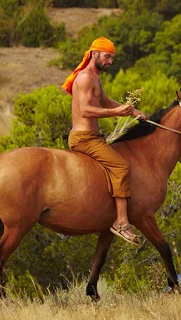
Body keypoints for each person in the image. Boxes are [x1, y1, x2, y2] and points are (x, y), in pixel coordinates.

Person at [61, 37, 146, 246]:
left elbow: (106, 102)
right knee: (121, 166)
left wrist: (134, 112)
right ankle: (121, 222)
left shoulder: (95, 78)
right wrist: (117, 112)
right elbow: (85, 110)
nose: (110, 61)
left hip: (92, 137)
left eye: (112, 58)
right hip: (84, 139)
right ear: (94, 54)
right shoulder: (85, 78)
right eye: (107, 56)